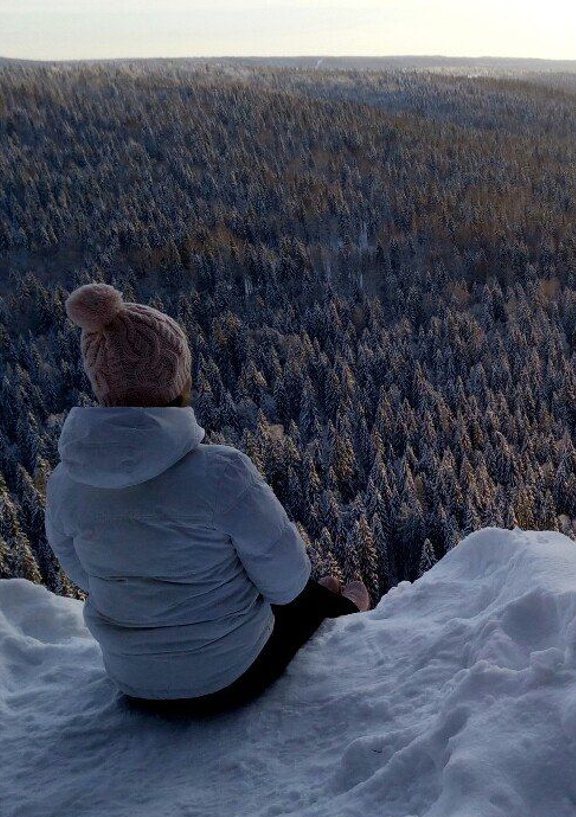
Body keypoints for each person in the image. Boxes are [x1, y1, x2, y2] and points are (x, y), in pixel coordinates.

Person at [43, 283, 369, 715]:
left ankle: (329, 595)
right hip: (227, 678)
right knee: (299, 602)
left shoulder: (65, 483)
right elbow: (285, 581)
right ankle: (344, 605)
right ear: (177, 376)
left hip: (132, 682)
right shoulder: (219, 472)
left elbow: (84, 575)